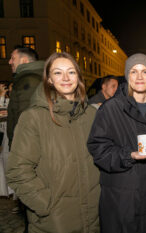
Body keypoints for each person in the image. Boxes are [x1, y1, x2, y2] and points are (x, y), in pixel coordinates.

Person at [6, 52, 100, 232]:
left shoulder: (91, 115)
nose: (65, 78)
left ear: (78, 78)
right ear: (49, 79)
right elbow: (17, 170)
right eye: (58, 73)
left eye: (71, 72)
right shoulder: (33, 118)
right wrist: (45, 205)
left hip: (93, 216)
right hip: (55, 221)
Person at [87, 53, 146, 233]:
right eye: (134, 71)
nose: (139, 77)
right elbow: (98, 149)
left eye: (145, 72)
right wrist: (130, 154)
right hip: (121, 196)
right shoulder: (110, 108)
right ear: (127, 76)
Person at [7, 46, 44, 148]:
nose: (9, 62)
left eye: (13, 58)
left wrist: (19, 149)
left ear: (24, 60)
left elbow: (25, 119)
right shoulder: (33, 77)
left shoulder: (28, 81)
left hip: (25, 147)